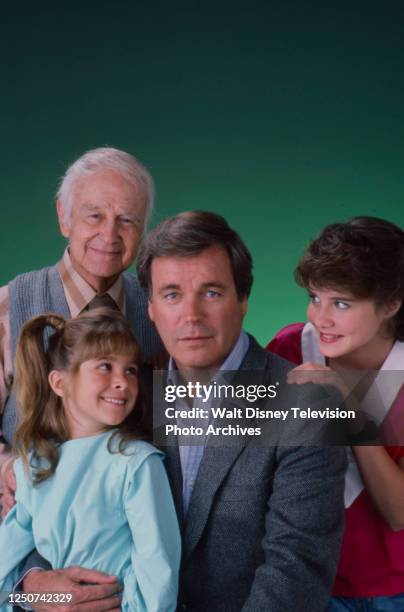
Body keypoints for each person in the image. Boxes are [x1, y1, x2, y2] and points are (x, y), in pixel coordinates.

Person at [135, 211, 347, 611]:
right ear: (150, 308)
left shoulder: (307, 405)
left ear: (244, 300)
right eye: (172, 294)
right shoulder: (132, 395)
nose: (191, 316)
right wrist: (31, 589)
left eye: (211, 292)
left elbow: (296, 568)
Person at [0, 146, 162, 509]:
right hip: (25, 527)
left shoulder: (160, 311)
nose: (110, 233)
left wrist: (312, 400)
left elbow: (214, 410)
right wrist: (8, 470)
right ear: (64, 217)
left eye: (127, 220)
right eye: (94, 216)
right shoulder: (9, 307)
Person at [0, 308, 180, 612]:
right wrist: (35, 601)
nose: (122, 381)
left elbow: (158, 569)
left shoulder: (136, 463)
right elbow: (7, 581)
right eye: (105, 366)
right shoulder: (33, 467)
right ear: (59, 383)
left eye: (131, 370)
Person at [267, 216, 404, 610]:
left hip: (392, 590)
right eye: (315, 297)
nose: (321, 318)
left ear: (391, 303)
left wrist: (349, 409)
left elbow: (398, 513)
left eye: (341, 303)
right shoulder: (291, 347)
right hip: (307, 577)